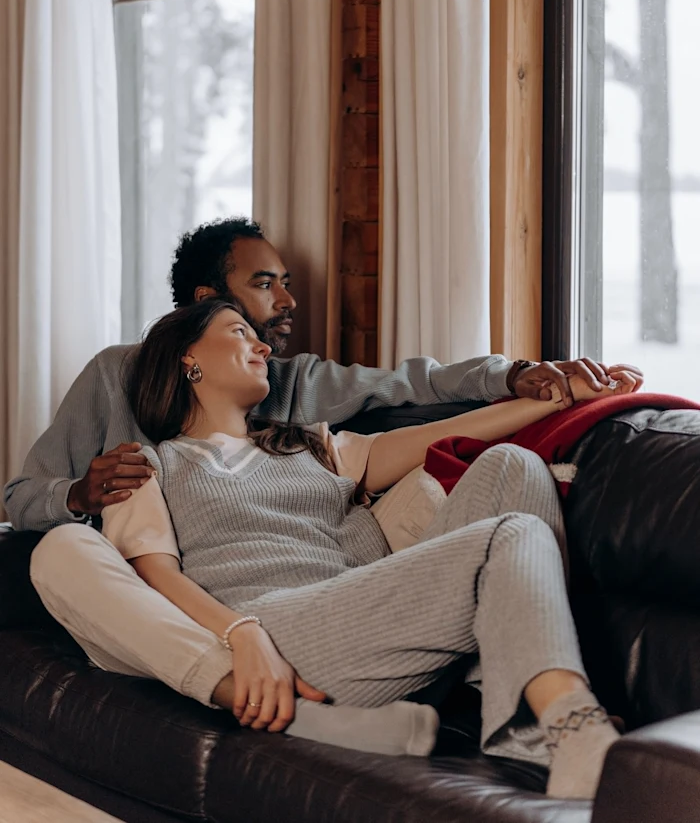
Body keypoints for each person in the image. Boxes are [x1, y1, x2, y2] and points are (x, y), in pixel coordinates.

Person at [32, 299, 639, 798]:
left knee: (513, 464)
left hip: (369, 618)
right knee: (515, 535)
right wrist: (244, 635)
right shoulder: (148, 467)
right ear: (188, 359)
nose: (264, 345)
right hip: (278, 639)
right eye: (240, 331)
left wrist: (561, 397)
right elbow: (157, 578)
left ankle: (519, 722)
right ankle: (571, 728)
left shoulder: (312, 445)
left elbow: (444, 436)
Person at [4, 216, 635, 532]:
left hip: (287, 575)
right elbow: (17, 498)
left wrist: (520, 375)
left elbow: (417, 382)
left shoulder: (294, 383)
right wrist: (80, 496)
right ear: (203, 301)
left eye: (287, 283)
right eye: (263, 285)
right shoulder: (116, 375)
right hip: (148, 576)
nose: (288, 302)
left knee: (503, 477)